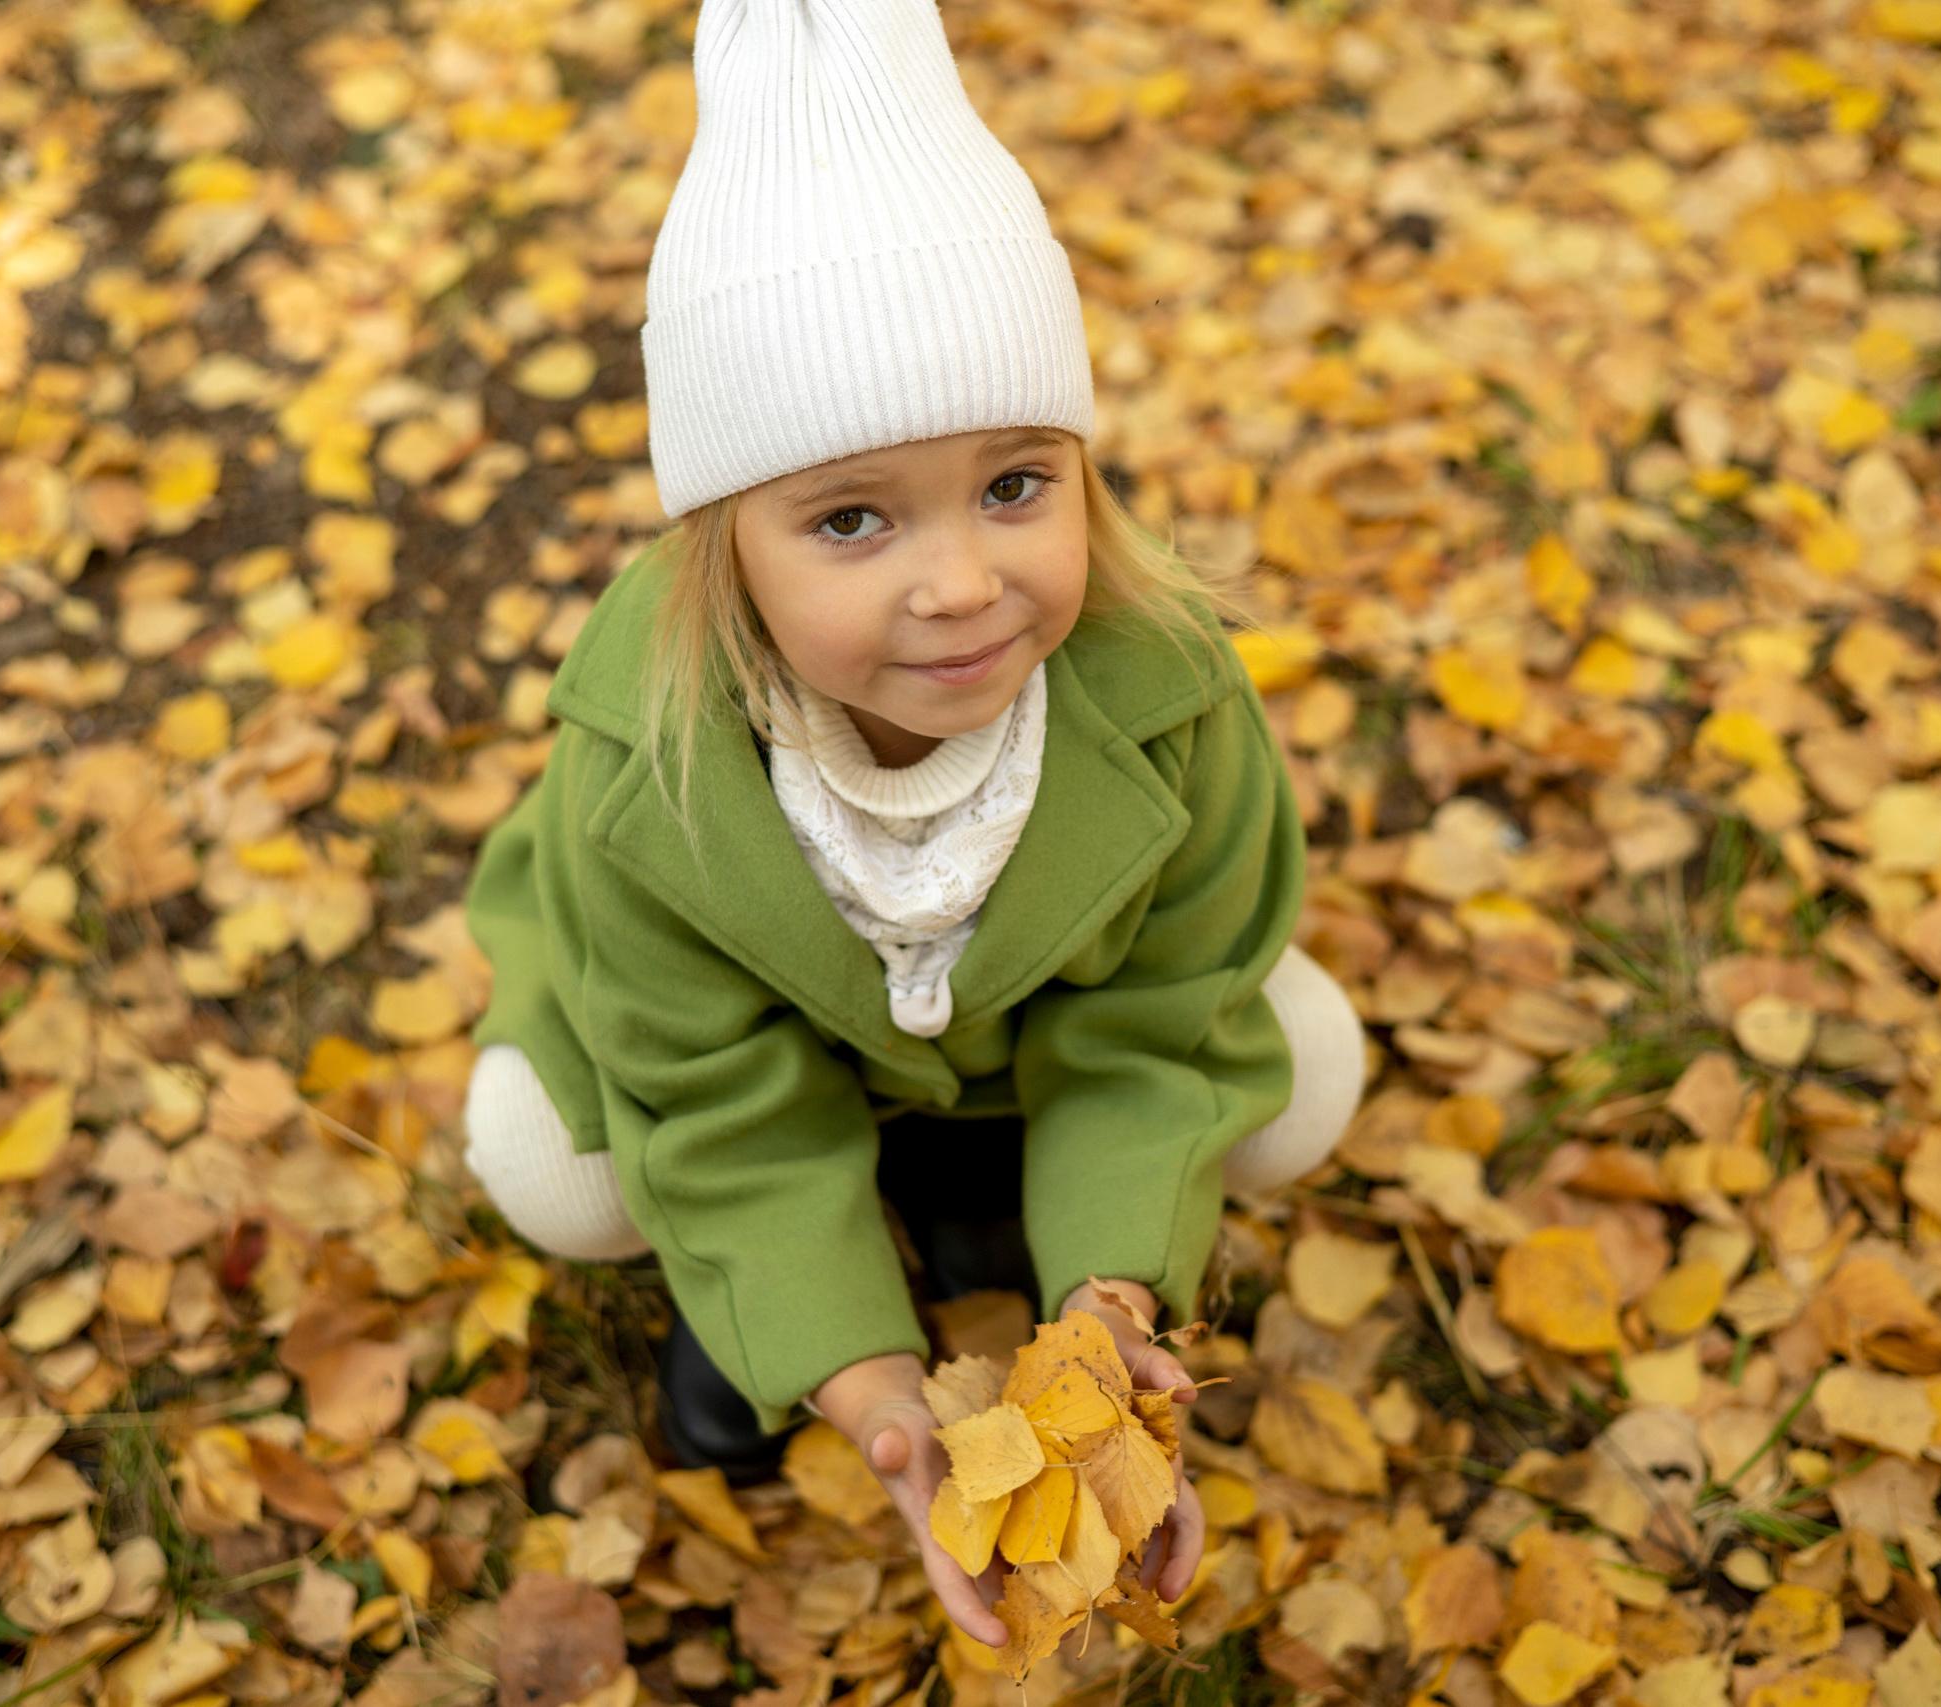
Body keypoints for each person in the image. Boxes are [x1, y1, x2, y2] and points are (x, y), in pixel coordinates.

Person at [458, 0, 1370, 1647]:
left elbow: (1162, 1022)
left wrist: (1104, 1314)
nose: (959, 583)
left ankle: (994, 1184)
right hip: (749, 1064)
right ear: (722, 541)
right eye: (854, 517)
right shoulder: (645, 768)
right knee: (561, 1162)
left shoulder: (1164, 694)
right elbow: (706, 1095)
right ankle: (786, 1289)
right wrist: (881, 1402)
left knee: (1304, 1069)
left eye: (1016, 484)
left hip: (1018, 1034)